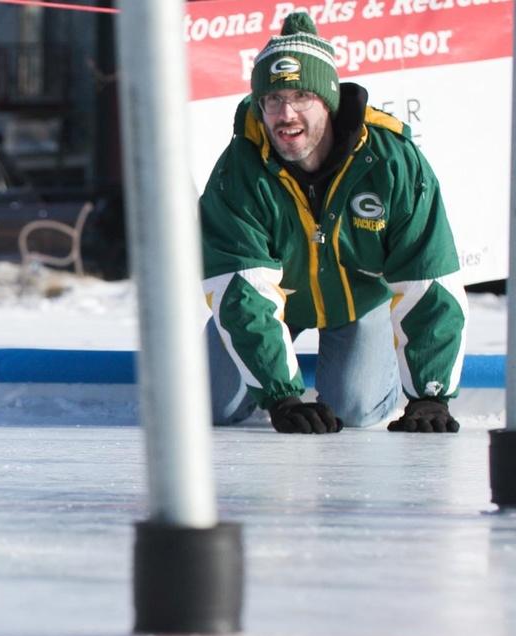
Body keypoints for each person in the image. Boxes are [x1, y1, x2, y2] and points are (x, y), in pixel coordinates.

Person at [199, 11, 468, 434]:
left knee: (356, 410)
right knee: (206, 404)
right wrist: (280, 396)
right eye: (272, 100)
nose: (285, 114)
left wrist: (429, 395)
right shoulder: (239, 171)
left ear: (328, 99)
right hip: (276, 301)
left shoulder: (393, 162)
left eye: (302, 95)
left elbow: (427, 280)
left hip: (359, 300)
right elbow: (240, 289)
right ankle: (272, 371)